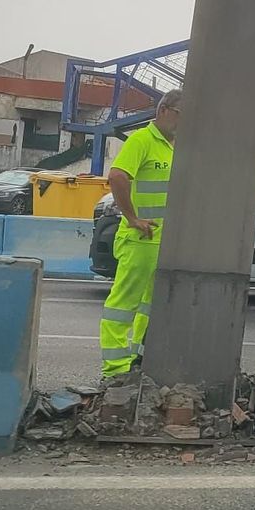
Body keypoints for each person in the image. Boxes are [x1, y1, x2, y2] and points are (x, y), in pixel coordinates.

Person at [99, 89, 180, 379]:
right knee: (124, 305)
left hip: (160, 241)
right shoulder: (142, 140)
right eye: (181, 115)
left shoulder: (173, 146)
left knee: (148, 305)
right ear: (164, 110)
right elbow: (117, 176)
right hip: (140, 239)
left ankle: (135, 361)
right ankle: (114, 370)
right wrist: (132, 217)